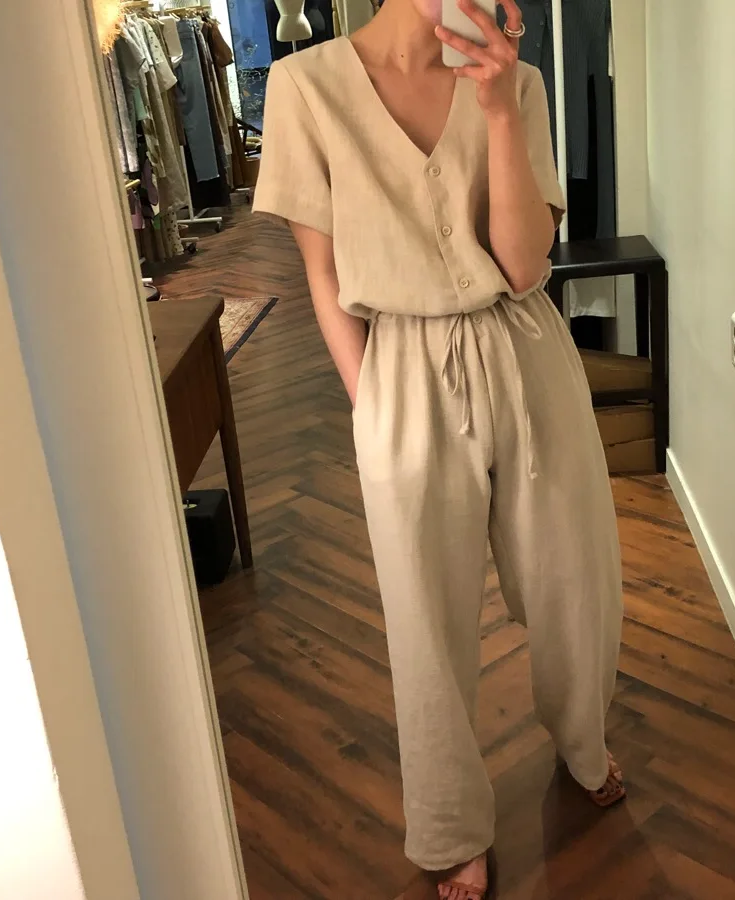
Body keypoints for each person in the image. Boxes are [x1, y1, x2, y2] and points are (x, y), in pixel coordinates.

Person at [253, 0, 624, 894]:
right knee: (426, 617)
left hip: (525, 349)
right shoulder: (303, 86)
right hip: (402, 371)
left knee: (575, 580)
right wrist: (371, 408)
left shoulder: (518, 82)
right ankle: (451, 820)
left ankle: (583, 739)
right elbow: (322, 273)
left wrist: (496, 110)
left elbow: (525, 265)